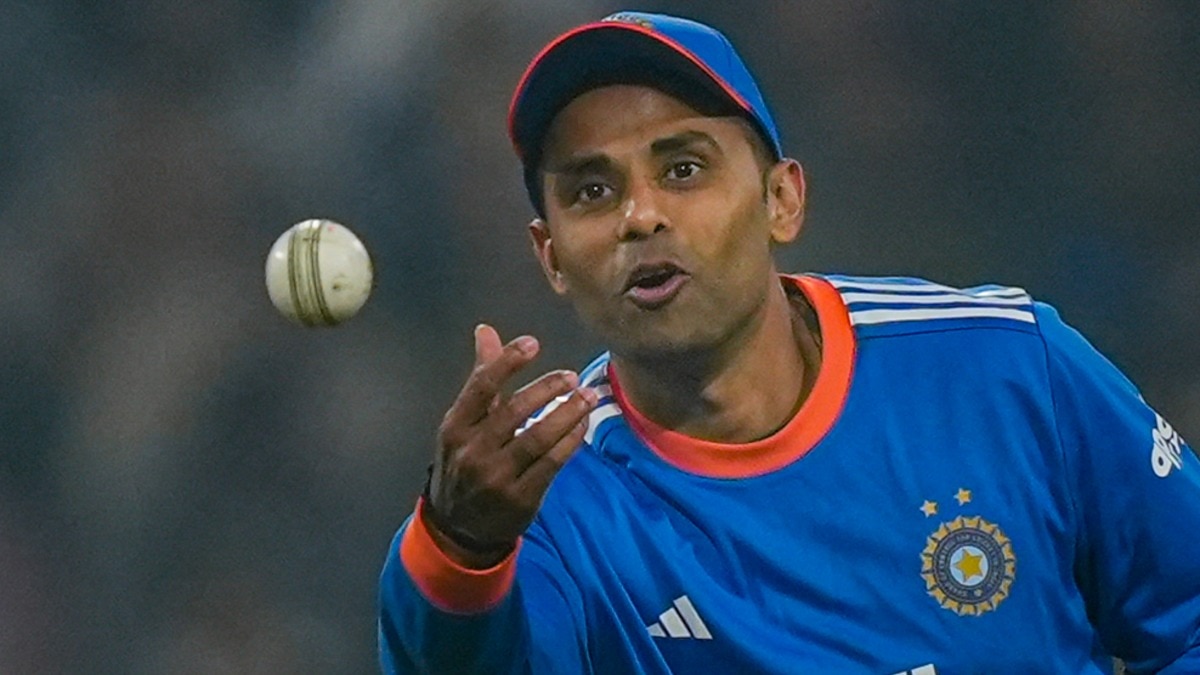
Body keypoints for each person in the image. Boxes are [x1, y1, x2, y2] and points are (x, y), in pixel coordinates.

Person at [377, 11, 1200, 674]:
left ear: (782, 199)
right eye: (593, 190)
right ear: (551, 256)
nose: (641, 215)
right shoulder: (549, 504)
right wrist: (460, 549)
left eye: (683, 168)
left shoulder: (1007, 366)